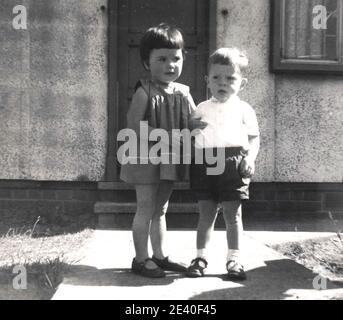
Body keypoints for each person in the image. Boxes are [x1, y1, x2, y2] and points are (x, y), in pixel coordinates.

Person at [120, 23, 202, 278]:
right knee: (145, 208)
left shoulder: (184, 92)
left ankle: (159, 256)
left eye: (176, 58)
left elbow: (192, 121)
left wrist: (199, 126)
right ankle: (141, 259)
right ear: (147, 63)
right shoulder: (144, 92)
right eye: (162, 59)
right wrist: (164, 138)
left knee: (161, 209)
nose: (170, 65)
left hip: (170, 159)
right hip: (145, 157)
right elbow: (133, 127)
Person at [186, 47, 260, 280]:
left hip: (233, 162)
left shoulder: (243, 109)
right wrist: (190, 128)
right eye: (216, 78)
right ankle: (200, 257)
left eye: (230, 78)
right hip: (205, 162)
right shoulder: (201, 108)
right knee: (205, 214)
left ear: (242, 83)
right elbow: (192, 136)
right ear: (207, 80)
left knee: (232, 215)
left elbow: (253, 137)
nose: (223, 83)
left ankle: (234, 259)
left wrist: (250, 158)